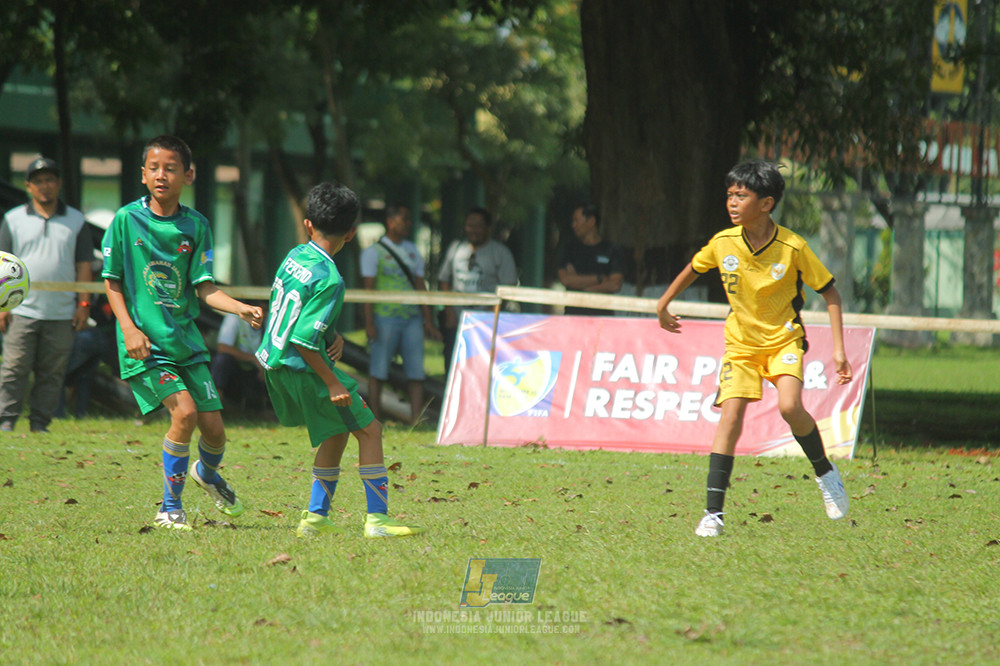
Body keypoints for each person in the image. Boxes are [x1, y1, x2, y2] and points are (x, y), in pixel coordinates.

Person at [655, 159, 852, 538]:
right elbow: (693, 269)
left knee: (790, 407)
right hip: (741, 345)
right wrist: (663, 303)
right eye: (729, 195)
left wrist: (839, 350)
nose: (731, 203)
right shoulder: (722, 242)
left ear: (766, 203)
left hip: (783, 340)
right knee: (730, 418)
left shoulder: (793, 246)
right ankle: (713, 514)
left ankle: (825, 472)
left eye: (741, 196)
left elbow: (830, 292)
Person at [102, 135, 264, 531]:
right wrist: (129, 328)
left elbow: (205, 288)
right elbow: (113, 282)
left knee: (216, 432)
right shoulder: (126, 221)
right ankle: (169, 507)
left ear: (188, 175)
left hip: (185, 343)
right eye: (154, 168)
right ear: (143, 175)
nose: (162, 175)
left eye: (171, 168)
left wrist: (240, 307)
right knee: (185, 413)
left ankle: (206, 475)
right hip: (146, 344)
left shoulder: (197, 226)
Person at [256, 181, 425, 539]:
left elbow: (295, 311)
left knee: (335, 434)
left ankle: (316, 519)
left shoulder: (294, 256)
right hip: (305, 368)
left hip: (275, 362)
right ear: (351, 234)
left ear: (307, 225)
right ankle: (377, 520)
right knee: (371, 430)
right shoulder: (330, 278)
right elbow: (303, 339)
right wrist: (332, 381)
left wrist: (332, 335)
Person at [0, 157, 93, 433]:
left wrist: (83, 304)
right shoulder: (13, 219)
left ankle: (40, 424)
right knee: (13, 369)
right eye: (39, 181)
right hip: (20, 311)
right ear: (29, 186)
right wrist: (3, 306)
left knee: (52, 374)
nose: (45, 186)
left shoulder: (76, 221)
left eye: (50, 180)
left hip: (62, 312)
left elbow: (84, 266)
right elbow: (2, 264)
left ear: (59, 183)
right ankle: (5, 422)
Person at [359, 204, 439, 425]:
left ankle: (416, 418)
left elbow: (420, 285)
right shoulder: (373, 253)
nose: (408, 224)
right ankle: (374, 418)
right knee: (378, 370)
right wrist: (369, 323)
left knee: (416, 371)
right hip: (384, 318)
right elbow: (369, 289)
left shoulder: (413, 250)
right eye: (404, 219)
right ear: (391, 222)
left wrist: (428, 319)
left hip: (412, 318)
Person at [437, 206, 518, 373]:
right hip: (456, 321)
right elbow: (444, 279)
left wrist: (490, 315)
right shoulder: (456, 249)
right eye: (469, 225)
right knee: (452, 367)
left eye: (478, 225)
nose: (473, 230)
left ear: (488, 228)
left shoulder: (500, 253)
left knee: (481, 369)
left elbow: (508, 286)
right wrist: (449, 311)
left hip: (486, 323)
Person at [556, 203, 625, 315]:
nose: (573, 225)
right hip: (574, 317)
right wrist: (600, 279)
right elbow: (566, 280)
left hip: (602, 320)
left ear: (591, 221)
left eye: (576, 221)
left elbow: (615, 285)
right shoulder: (569, 248)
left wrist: (581, 285)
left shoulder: (612, 250)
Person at [211, 305, 268, 414]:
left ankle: (269, 409)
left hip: (258, 372)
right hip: (238, 370)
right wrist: (254, 359)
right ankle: (216, 405)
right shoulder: (235, 317)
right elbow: (223, 348)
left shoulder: (270, 320)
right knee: (222, 361)